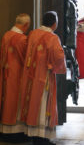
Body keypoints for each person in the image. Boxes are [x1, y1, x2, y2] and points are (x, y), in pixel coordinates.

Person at [20, 11, 66, 145]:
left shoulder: (33, 33)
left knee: (32, 103)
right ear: (54, 24)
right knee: (43, 104)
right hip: (44, 77)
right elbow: (59, 57)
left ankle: (33, 135)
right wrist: (53, 66)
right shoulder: (52, 38)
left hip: (30, 76)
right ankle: (42, 137)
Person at [0, 13, 31, 141]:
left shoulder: (6, 35)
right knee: (16, 102)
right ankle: (15, 132)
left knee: (7, 100)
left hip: (5, 72)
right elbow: (27, 59)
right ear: (26, 25)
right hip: (17, 75)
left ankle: (5, 130)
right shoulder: (22, 39)